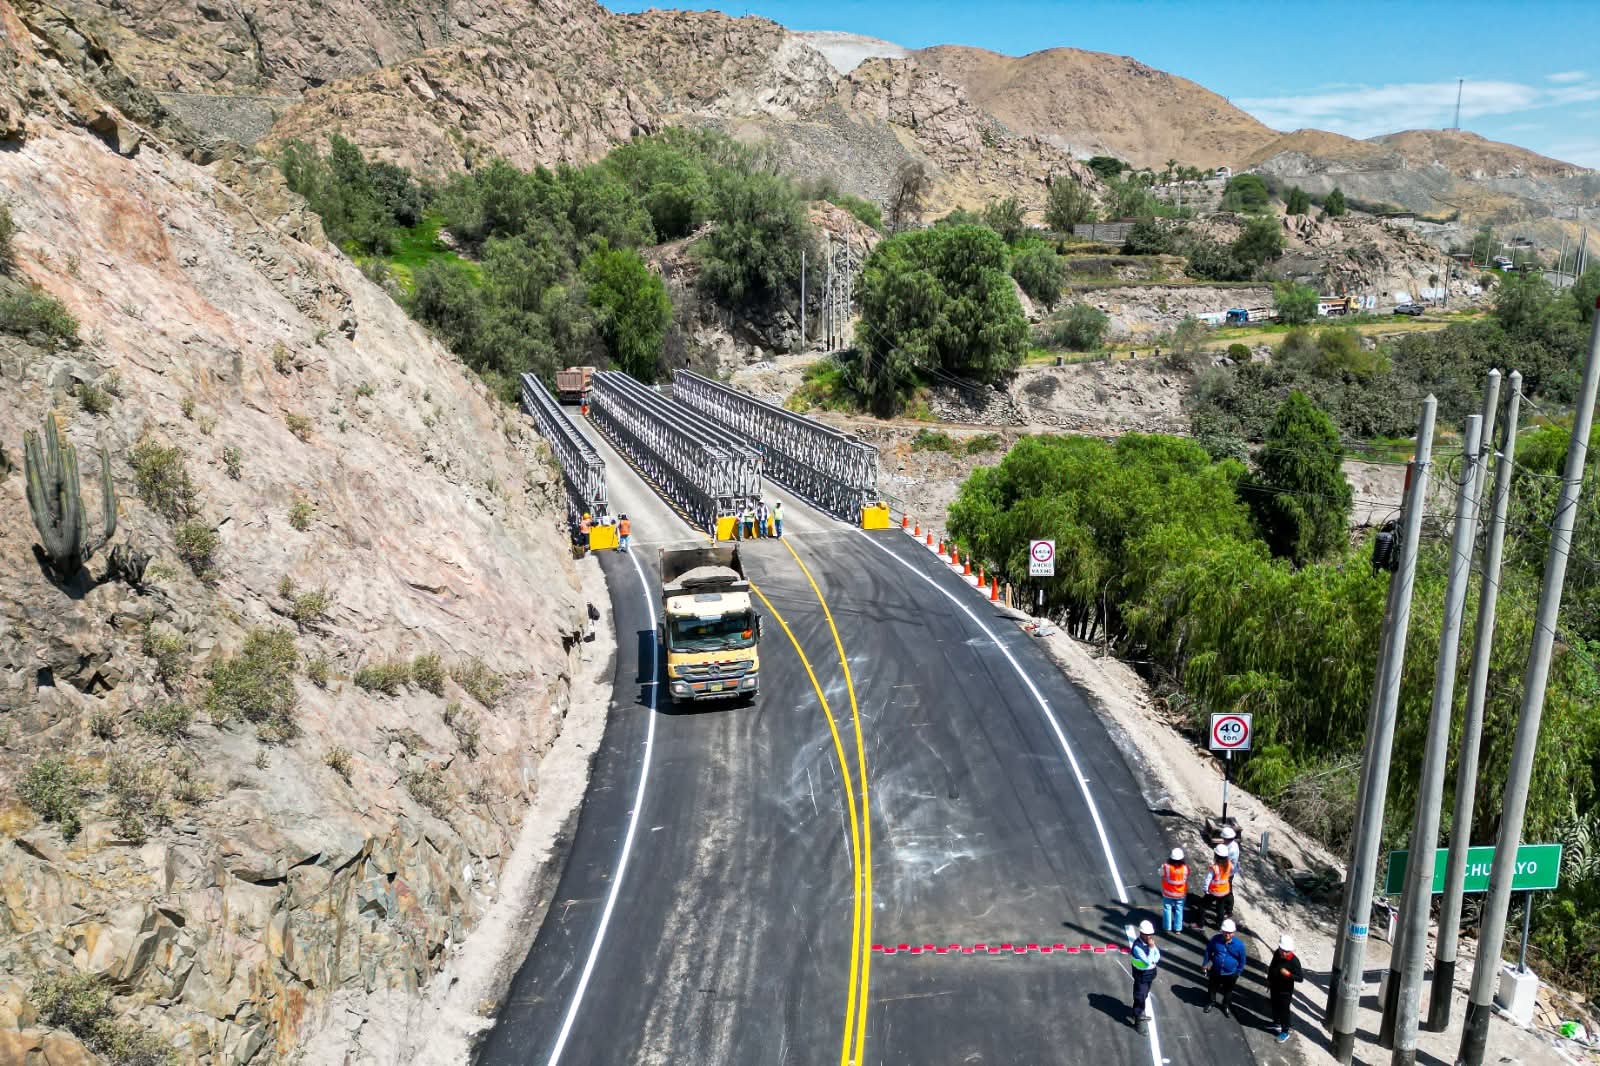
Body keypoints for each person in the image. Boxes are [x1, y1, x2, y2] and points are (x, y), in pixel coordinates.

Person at [1202, 918, 1247, 1017]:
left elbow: (1242, 960)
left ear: (1233, 933)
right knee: (1212, 988)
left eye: (1230, 933)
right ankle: (1211, 1002)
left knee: (1228, 991)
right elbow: (1208, 951)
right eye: (1225, 932)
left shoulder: (1239, 945)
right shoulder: (1215, 939)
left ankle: (1225, 1005)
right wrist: (1205, 964)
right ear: (1222, 931)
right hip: (1216, 971)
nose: (1227, 935)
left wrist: (1237, 973)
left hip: (1231, 974)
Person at [1124, 919, 1161, 1031]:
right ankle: (1138, 1021)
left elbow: (1157, 956)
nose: (1150, 936)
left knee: (1144, 995)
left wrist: (1152, 955)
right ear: (1141, 933)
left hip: (1149, 975)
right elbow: (1148, 961)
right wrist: (1151, 949)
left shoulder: (1150, 942)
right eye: (1147, 934)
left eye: (1151, 934)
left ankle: (1137, 1014)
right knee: (1140, 997)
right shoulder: (1137, 947)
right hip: (1141, 976)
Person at [1267, 933, 1303, 1042]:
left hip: (1285, 991)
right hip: (1274, 986)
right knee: (1274, 1006)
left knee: (1284, 1011)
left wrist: (1288, 975)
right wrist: (1269, 979)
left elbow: (1300, 978)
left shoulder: (1294, 961)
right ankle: (1277, 1023)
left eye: (1286, 951)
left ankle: (1285, 1031)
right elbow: (1272, 966)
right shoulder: (1277, 954)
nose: (1283, 953)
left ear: (1290, 951)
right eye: (1282, 950)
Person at [1159, 848, 1189, 933]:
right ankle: (1178, 929)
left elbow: (1160, 873)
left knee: (1167, 908)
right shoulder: (1185, 868)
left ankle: (1167, 927)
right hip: (1180, 894)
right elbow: (1187, 875)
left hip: (1168, 893)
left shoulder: (1166, 867)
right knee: (1179, 910)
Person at [1205, 845, 1234, 929]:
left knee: (1203, 905)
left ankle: (1200, 923)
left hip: (1214, 891)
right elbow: (1232, 871)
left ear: (1216, 856)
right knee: (1220, 908)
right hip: (1224, 891)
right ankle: (1219, 925)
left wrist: (1205, 888)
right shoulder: (1229, 864)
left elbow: (1208, 879)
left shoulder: (1214, 867)